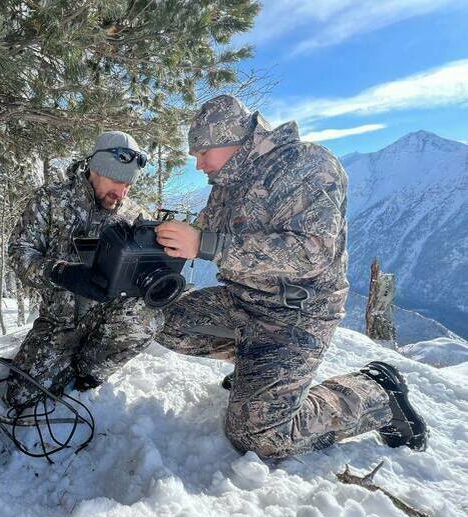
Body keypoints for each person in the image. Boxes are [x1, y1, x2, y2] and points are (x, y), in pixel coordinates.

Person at [154, 95, 428, 458]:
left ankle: (376, 394)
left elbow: (311, 252)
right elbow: (201, 233)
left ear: (232, 139)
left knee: (258, 437)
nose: (198, 163)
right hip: (242, 301)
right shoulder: (227, 184)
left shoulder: (307, 165)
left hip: (295, 314)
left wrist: (208, 245)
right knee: (165, 323)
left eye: (202, 151)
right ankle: (259, 372)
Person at [5, 131, 164, 408]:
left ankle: (88, 372)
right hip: (59, 322)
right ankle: (65, 359)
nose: (121, 193)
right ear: (95, 169)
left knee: (148, 317)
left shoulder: (134, 214)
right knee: (20, 398)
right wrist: (60, 273)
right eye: (116, 181)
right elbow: (20, 253)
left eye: (128, 185)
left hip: (109, 317)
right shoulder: (52, 200)